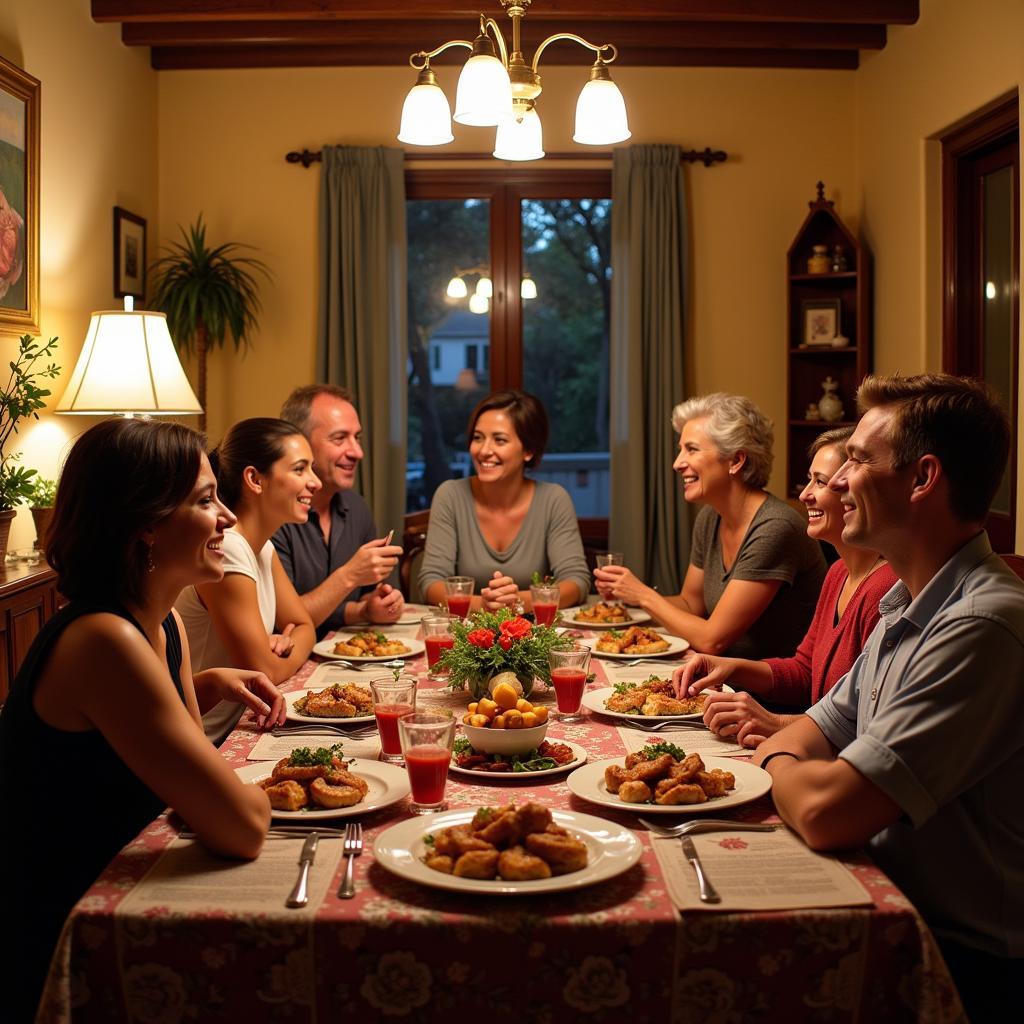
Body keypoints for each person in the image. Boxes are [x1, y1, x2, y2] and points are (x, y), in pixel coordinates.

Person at [754, 374, 1024, 1020]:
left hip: (959, 960)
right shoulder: (909, 604)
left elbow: (825, 812)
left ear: (922, 478)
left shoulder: (981, 624)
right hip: (887, 901)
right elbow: (806, 734)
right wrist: (791, 757)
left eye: (857, 460)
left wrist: (778, 763)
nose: (837, 481)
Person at [0, 419, 272, 1021]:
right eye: (206, 500)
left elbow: (185, 757)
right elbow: (241, 825)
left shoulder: (162, 621)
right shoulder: (105, 640)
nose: (228, 517)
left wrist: (201, 688)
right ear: (146, 523)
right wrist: (251, 799)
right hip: (67, 935)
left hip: (130, 889)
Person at [674, 425, 897, 746]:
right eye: (810, 480)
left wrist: (776, 723)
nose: (805, 494)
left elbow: (869, 727)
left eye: (821, 482)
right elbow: (805, 671)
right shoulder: (838, 573)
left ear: (857, 493)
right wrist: (729, 667)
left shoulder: (885, 587)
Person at [595, 393, 826, 658]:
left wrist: (643, 595)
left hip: (768, 695)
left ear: (736, 461)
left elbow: (712, 640)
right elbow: (691, 605)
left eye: (691, 449)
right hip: (723, 679)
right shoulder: (710, 517)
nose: (677, 463)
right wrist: (627, 596)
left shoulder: (774, 527)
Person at [176, 417, 317, 742]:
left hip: (240, 726)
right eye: (300, 469)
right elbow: (265, 671)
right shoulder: (228, 546)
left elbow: (304, 623)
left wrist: (284, 647)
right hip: (209, 738)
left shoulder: (261, 547)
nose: (316, 482)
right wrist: (277, 656)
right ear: (254, 479)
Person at [418, 389, 591, 612]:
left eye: (499, 440)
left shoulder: (553, 499)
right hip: (465, 636)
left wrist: (516, 602)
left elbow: (576, 581)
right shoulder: (450, 495)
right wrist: (484, 605)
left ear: (528, 450)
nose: (483, 451)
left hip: (534, 635)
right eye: (478, 438)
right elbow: (431, 582)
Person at [273, 385, 404, 639]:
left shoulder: (356, 507)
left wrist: (370, 607)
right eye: (340, 438)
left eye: (357, 438)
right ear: (300, 443)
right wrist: (350, 575)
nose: (357, 452)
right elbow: (284, 622)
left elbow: (361, 598)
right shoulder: (274, 515)